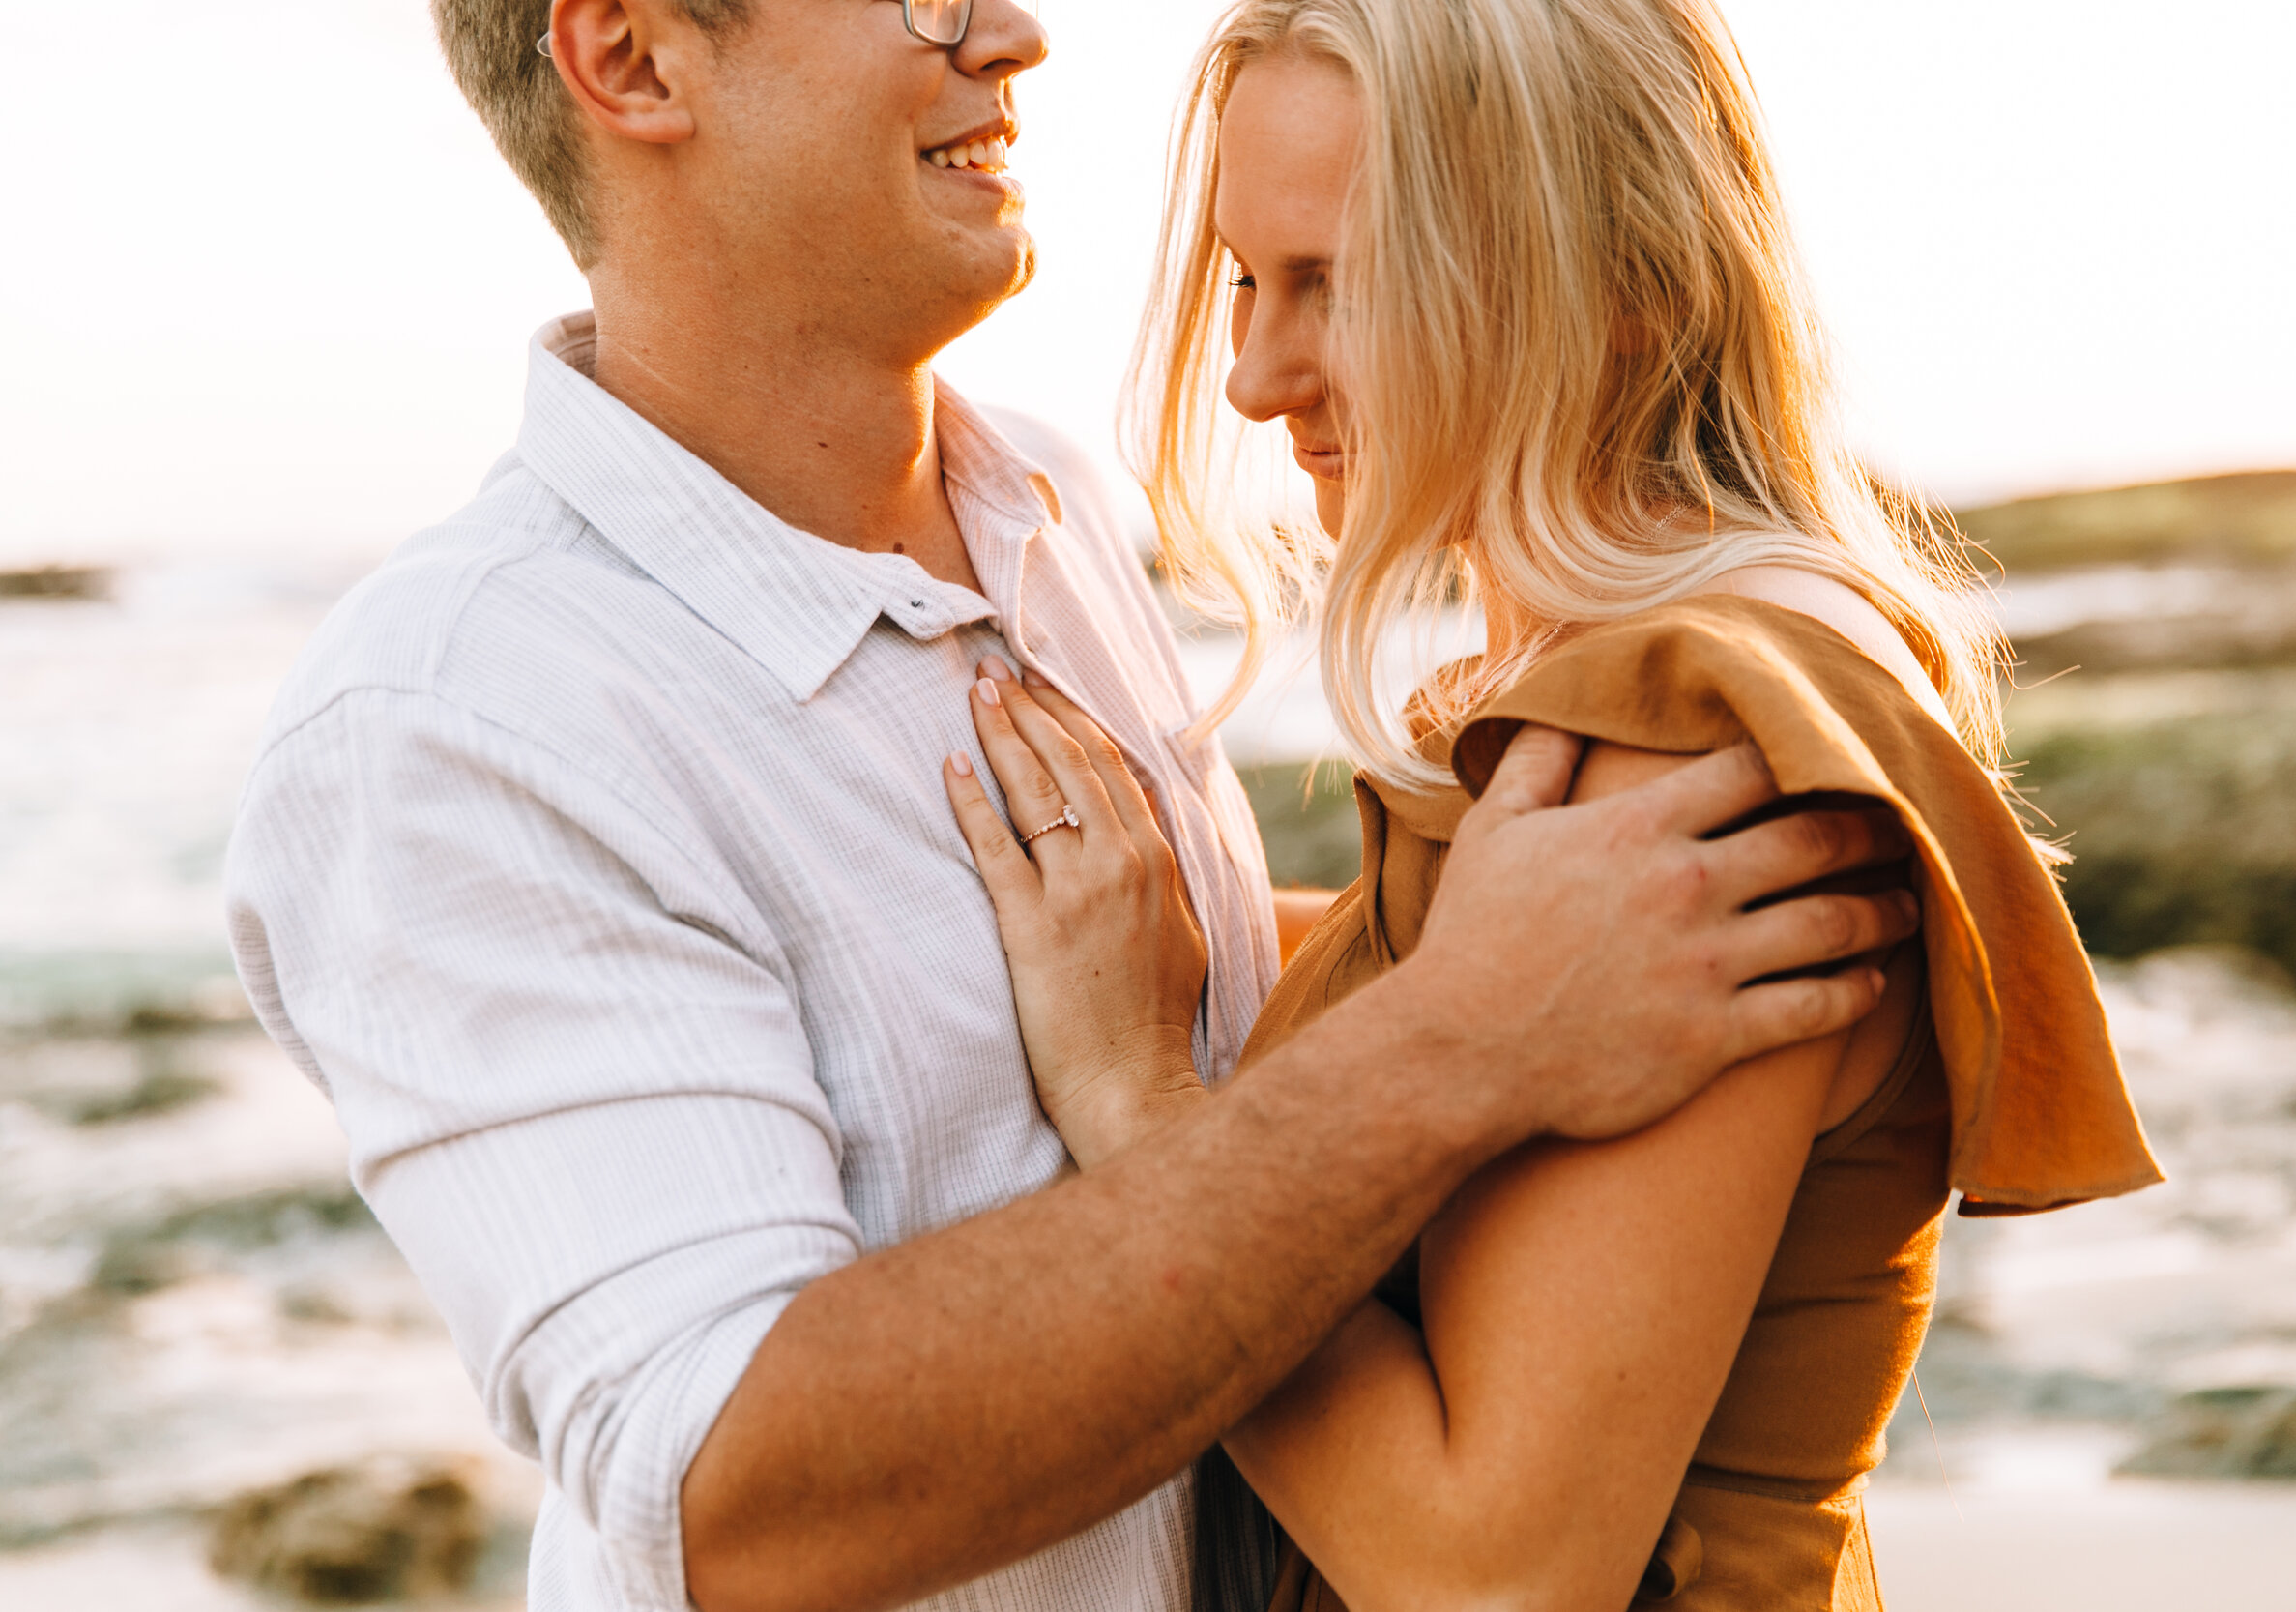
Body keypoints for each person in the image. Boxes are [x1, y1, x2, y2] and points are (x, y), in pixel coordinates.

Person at [220, 2, 1926, 1610]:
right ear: (635, 56)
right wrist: (1456, 1036)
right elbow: (722, 1487)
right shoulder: (463, 709)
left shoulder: (1047, 507)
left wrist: (1438, 964)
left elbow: (1166, 997)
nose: (1016, 31)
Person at [945, 2, 2166, 1608]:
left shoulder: (1681, 747)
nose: (1250, 375)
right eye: (1248, 279)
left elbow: (1491, 1571)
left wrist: (1134, 1099)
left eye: (1341, 285)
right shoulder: (1701, 681)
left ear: (1622, 291)